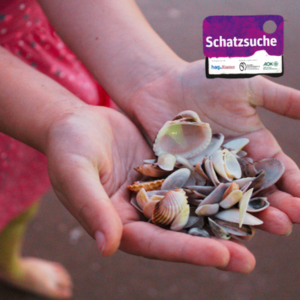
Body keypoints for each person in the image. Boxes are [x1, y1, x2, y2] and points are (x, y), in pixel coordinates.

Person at [0, 0, 300, 299]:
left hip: (47, 60)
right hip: (14, 108)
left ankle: (7, 261)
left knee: (21, 204)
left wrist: (153, 74)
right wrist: (52, 118)